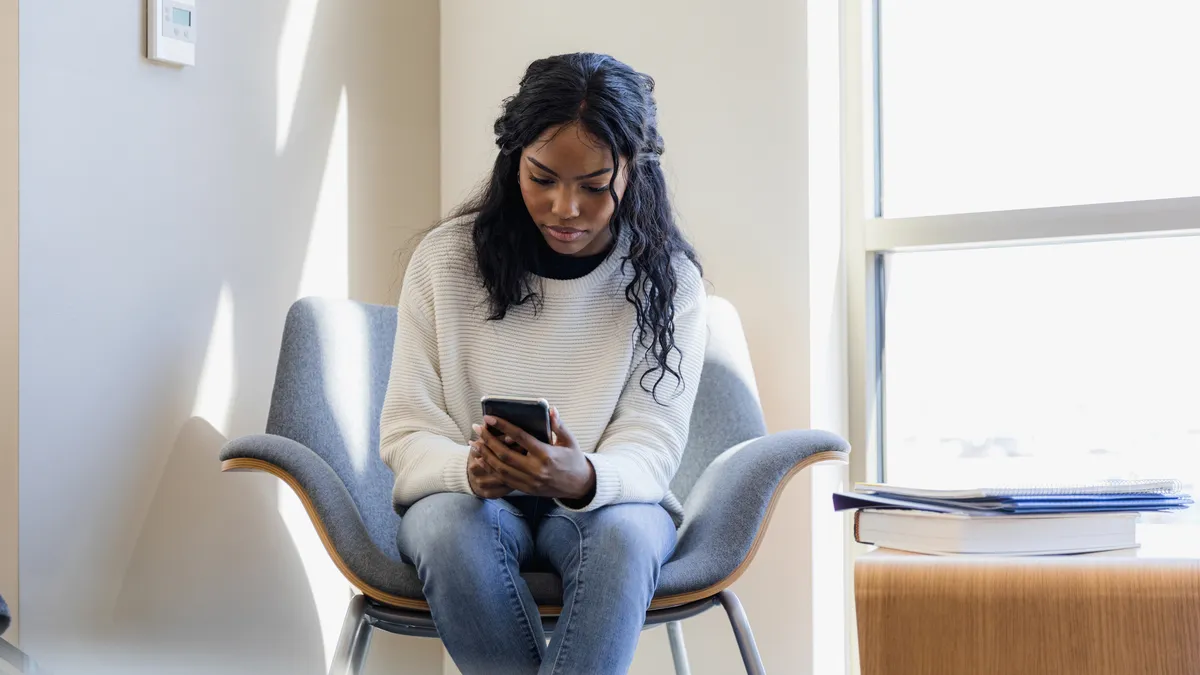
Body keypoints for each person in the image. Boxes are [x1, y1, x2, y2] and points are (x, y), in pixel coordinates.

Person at [378, 52, 707, 675]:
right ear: (513, 161)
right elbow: (406, 430)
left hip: (607, 503)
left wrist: (582, 476)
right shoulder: (445, 261)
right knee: (448, 529)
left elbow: (653, 442)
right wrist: (468, 469)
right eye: (543, 178)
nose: (565, 208)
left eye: (593, 185)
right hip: (464, 502)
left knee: (626, 539)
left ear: (633, 171)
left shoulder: (668, 281)